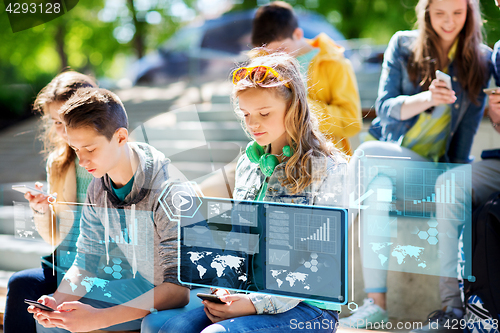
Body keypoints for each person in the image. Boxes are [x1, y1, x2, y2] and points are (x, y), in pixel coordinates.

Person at [158, 52, 348, 333]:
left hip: (309, 309)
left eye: (264, 113)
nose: (253, 124)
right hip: (247, 297)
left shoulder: (330, 169)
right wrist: (224, 292)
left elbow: (318, 267)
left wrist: (254, 304)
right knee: (169, 329)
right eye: (246, 114)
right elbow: (238, 243)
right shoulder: (249, 163)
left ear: (293, 107)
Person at [340, 0, 492, 328]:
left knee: (365, 157)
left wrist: (455, 180)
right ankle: (376, 302)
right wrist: (425, 99)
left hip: (437, 168)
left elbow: (465, 137)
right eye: (439, 13)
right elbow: (383, 108)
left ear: (470, 12)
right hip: (394, 158)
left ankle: (336, 226)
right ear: (426, 12)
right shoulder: (403, 45)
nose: (449, 21)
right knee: (377, 191)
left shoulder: (480, 60)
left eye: (457, 12)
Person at [28, 88, 190, 332]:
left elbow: (179, 290)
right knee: (55, 322)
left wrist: (98, 318)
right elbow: (85, 261)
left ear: (121, 137)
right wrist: (57, 300)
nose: (82, 161)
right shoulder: (98, 188)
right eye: (76, 150)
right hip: (140, 283)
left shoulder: (168, 190)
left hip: (179, 293)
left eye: (90, 149)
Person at [3, 71, 96, 333]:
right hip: (65, 265)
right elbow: (55, 237)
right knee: (21, 284)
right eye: (56, 123)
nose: (63, 132)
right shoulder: (58, 162)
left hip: (104, 266)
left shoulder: (110, 157)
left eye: (68, 121)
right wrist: (41, 210)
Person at [251, 1, 362, 156]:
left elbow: (352, 122)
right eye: (268, 53)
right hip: (277, 158)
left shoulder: (334, 62)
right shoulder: (264, 61)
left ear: (298, 34)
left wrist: (300, 106)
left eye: (281, 49)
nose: (275, 57)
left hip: (323, 159)